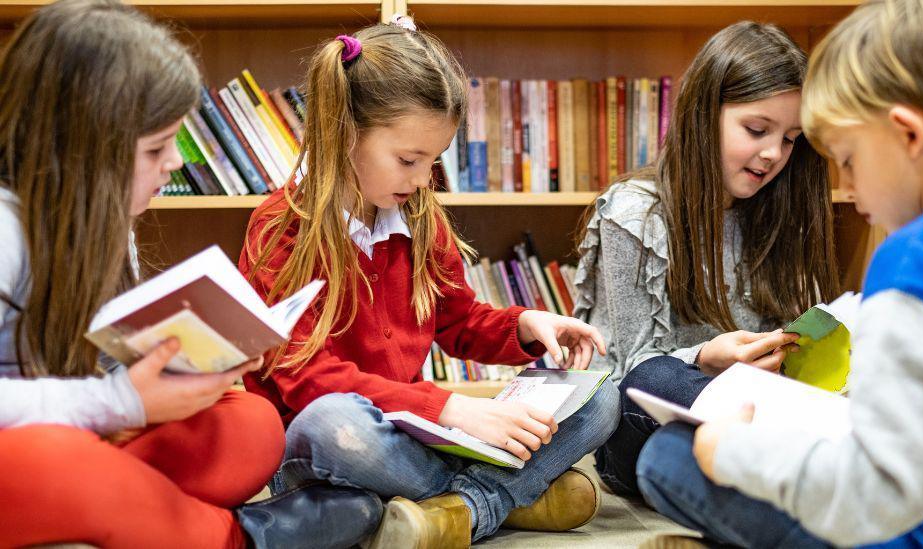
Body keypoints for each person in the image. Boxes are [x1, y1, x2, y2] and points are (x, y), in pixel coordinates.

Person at [0, 1, 381, 547]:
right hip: (32, 447)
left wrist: (196, 368)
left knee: (250, 423)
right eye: (156, 148)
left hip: (89, 431)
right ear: (75, 150)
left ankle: (133, 512)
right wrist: (120, 403)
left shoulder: (105, 223)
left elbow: (107, 367)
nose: (175, 163)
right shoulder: (6, 227)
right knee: (56, 464)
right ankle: (240, 536)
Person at [239, 17, 620, 548]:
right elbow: (306, 382)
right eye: (408, 160)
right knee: (334, 421)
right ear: (344, 132)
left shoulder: (418, 217)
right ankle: (505, 499)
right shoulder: (281, 229)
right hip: (338, 439)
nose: (423, 180)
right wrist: (448, 409)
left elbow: (459, 321)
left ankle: (458, 508)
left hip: (420, 435)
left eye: (434, 161)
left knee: (601, 395)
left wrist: (528, 325)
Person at [641, 0, 923, 547]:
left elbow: (881, 493)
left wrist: (735, 452)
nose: (848, 188)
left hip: (918, 531)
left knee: (670, 457)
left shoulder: (920, 258)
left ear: (908, 136)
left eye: (847, 159)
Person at [575, 21, 839, 498]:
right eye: (757, 130)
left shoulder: (783, 212)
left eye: (790, 138)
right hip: (643, 423)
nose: (772, 154)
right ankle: (784, 461)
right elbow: (631, 368)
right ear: (702, 115)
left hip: (759, 412)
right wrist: (706, 358)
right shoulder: (635, 212)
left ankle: (760, 464)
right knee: (652, 377)